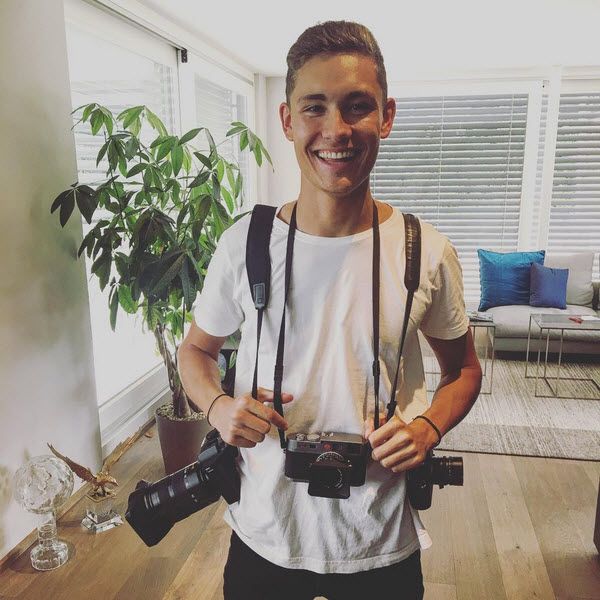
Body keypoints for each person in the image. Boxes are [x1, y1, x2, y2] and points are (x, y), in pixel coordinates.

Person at [178, 20, 482, 600]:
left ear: (386, 117)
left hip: (380, 536)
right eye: (314, 107)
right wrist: (218, 407)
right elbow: (195, 351)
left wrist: (428, 428)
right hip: (266, 530)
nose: (336, 130)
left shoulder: (424, 250)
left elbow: (465, 370)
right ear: (287, 120)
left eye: (357, 106)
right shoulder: (246, 242)